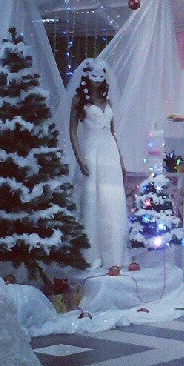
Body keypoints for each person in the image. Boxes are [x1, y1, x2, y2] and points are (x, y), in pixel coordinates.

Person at [68, 59, 129, 270]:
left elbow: (112, 132)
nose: (97, 80)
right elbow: (72, 131)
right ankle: (90, 254)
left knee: (112, 202)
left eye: (100, 76)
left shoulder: (108, 101)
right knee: (92, 201)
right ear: (86, 76)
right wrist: (79, 158)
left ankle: (113, 254)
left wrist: (121, 159)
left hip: (109, 152)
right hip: (91, 152)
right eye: (93, 76)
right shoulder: (79, 100)